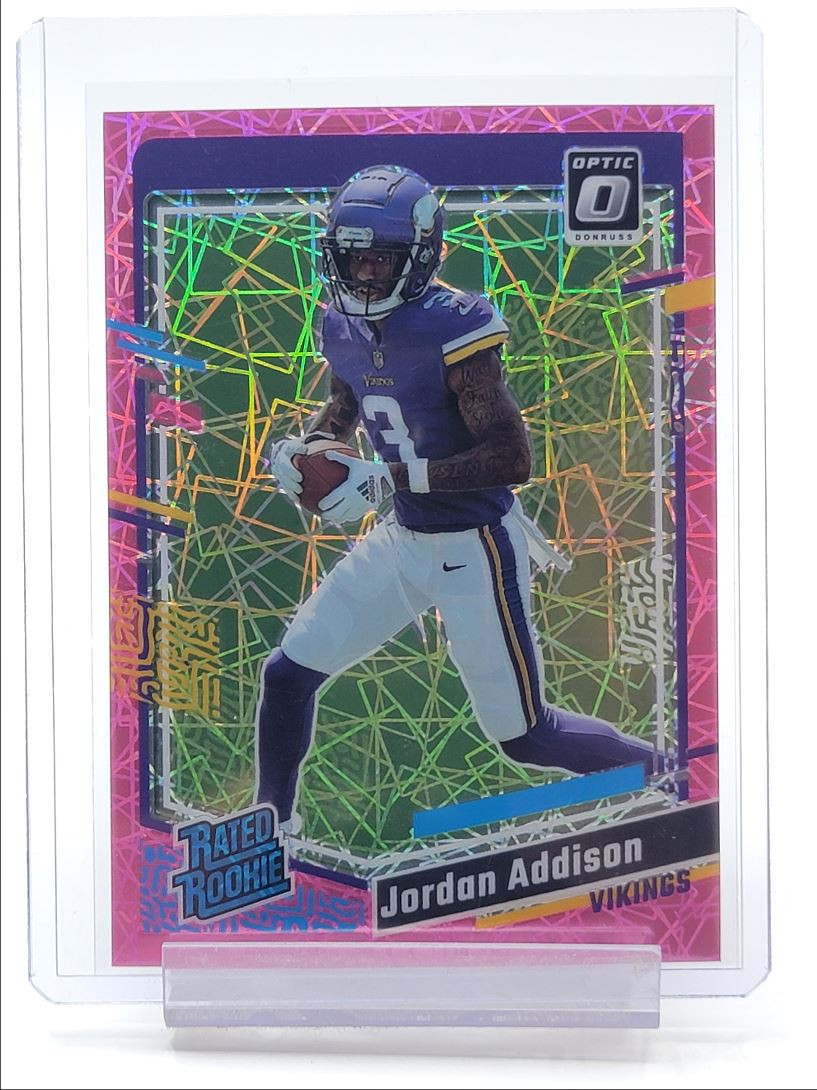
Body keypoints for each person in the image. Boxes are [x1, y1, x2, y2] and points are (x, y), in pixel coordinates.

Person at [256, 165, 654, 833]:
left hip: (475, 547)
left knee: (527, 736)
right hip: (403, 539)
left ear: (420, 256)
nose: (363, 276)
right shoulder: (340, 322)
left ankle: (674, 773)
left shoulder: (454, 326)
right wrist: (309, 449)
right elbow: (348, 399)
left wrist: (389, 479)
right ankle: (270, 832)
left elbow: (510, 457)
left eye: (380, 260)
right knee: (287, 673)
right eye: (351, 259)